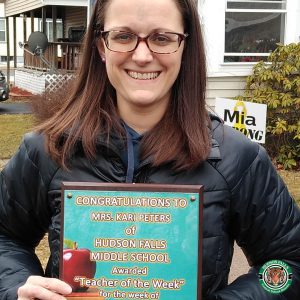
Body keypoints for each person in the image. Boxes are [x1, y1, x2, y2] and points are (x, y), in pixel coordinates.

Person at [0, 0, 299, 299]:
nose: (142, 56)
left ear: (185, 46)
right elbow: (5, 237)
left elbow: (289, 265)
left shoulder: (238, 159)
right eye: (123, 36)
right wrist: (16, 286)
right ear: (102, 47)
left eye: (162, 38)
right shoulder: (49, 149)